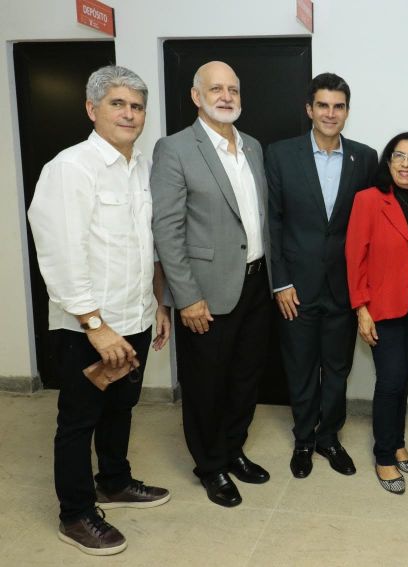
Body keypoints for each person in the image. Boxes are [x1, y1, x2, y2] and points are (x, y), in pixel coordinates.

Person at [28, 65, 170, 556]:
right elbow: (61, 254)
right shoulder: (70, 168)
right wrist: (94, 324)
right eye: (118, 104)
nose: (129, 114)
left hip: (135, 316)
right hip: (87, 329)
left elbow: (144, 245)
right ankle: (76, 513)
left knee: (121, 407)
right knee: (78, 420)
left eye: (136, 106)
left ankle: (114, 480)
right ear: (92, 109)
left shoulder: (141, 168)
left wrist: (157, 303)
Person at [150, 61, 272, 508]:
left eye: (233, 89)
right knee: (207, 385)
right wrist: (186, 298)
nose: (226, 96)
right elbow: (167, 230)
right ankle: (211, 466)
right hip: (204, 292)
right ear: (195, 96)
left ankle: (233, 449)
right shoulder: (175, 149)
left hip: (256, 284)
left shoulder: (253, 147)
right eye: (216, 89)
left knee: (245, 377)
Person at [266, 73, 378, 479]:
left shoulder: (365, 158)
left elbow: (369, 226)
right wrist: (280, 280)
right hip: (294, 286)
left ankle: (329, 437)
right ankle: (303, 440)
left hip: (343, 287)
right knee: (300, 367)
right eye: (324, 106)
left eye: (339, 106)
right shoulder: (280, 155)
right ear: (309, 109)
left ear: (347, 111)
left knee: (337, 367)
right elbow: (272, 223)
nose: (331, 113)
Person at [345, 132, 408, 494]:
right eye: (398, 156)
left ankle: (398, 441)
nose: (405, 163)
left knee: (402, 377)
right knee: (389, 381)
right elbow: (354, 257)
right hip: (381, 308)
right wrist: (361, 309)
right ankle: (384, 455)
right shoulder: (369, 200)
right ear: (387, 162)